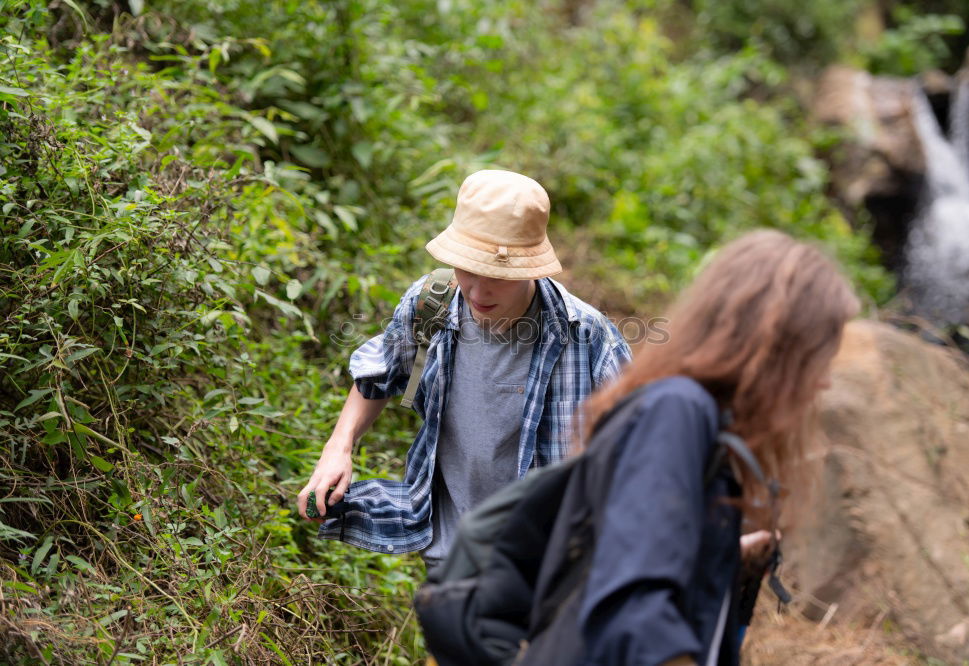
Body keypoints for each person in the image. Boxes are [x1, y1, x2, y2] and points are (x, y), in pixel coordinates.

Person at [296, 169, 632, 572]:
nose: (477, 291)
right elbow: (379, 374)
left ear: (531, 269)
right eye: (467, 269)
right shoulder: (431, 304)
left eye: (497, 277)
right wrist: (339, 447)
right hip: (450, 554)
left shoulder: (585, 334)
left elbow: (637, 448)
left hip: (549, 562)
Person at [567, 230, 859, 666]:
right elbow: (634, 610)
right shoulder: (677, 411)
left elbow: (638, 548)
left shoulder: (699, 420)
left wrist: (725, 556)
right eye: (817, 359)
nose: (823, 382)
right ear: (773, 349)